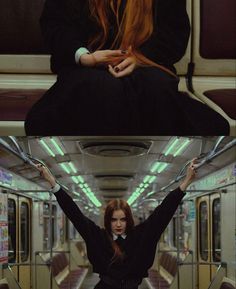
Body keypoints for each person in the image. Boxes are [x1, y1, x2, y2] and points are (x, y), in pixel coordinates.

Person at [24, 0, 229, 135]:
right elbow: (56, 26)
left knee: (154, 88)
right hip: (85, 66)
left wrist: (141, 57)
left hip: (146, 63)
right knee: (99, 89)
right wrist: (85, 57)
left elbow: (174, 32)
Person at [38, 159, 197, 289]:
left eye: (123, 219)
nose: (119, 224)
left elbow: (163, 212)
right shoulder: (98, 236)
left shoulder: (142, 235)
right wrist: (53, 183)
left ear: (129, 220)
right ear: (108, 221)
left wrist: (186, 182)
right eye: (114, 220)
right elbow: (74, 214)